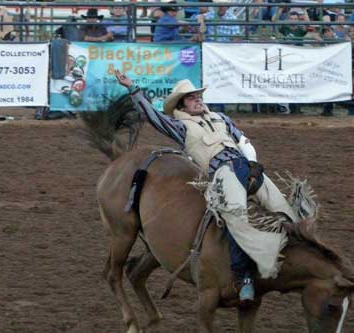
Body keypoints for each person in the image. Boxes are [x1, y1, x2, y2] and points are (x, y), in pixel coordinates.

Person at [115, 71, 300, 303]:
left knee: (284, 209)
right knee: (236, 217)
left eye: (198, 95)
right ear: (181, 105)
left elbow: (243, 141)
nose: (198, 99)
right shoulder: (180, 126)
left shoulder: (221, 118)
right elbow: (153, 116)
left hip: (246, 167)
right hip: (222, 174)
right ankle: (243, 278)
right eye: (191, 97)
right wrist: (133, 88)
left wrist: (252, 162)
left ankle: (296, 259)